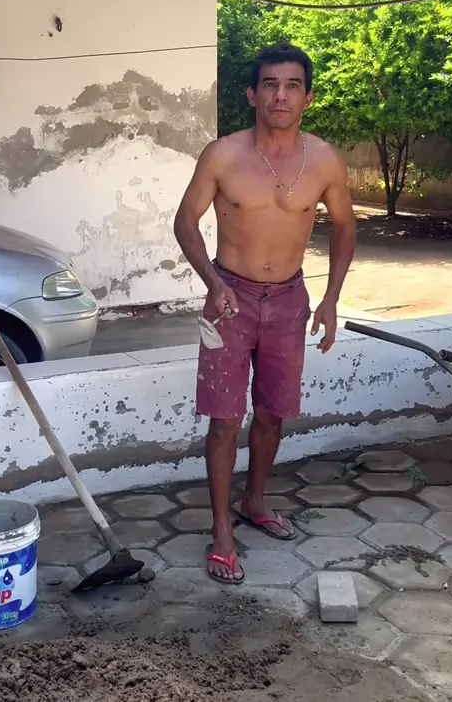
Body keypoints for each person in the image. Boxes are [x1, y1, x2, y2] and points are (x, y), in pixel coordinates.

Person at [173, 42, 357, 584]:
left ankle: (254, 500)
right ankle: (221, 531)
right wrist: (212, 283)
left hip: (290, 300)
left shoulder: (324, 160)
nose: (281, 95)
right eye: (270, 84)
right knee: (225, 419)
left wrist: (331, 298)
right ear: (253, 94)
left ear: (307, 97)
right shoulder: (223, 155)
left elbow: (345, 226)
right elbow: (185, 222)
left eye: (292, 85)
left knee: (273, 413)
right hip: (229, 297)